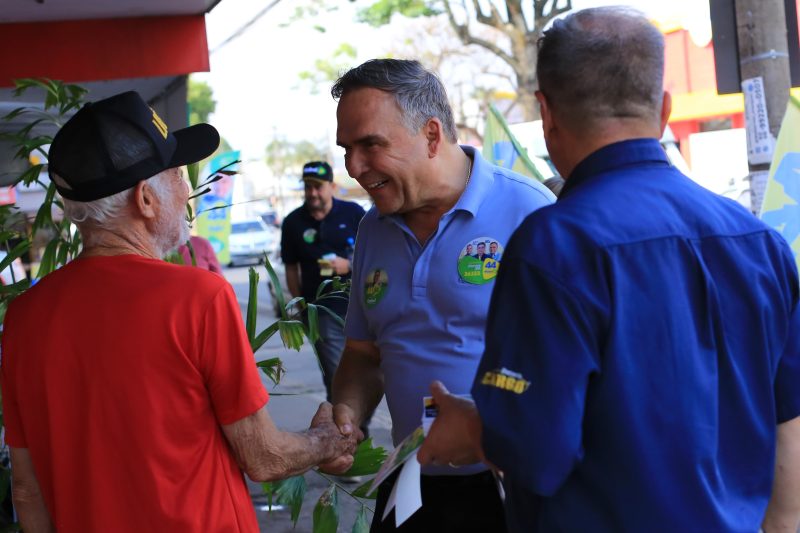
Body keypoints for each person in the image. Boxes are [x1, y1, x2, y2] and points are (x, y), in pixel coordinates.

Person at [418, 7, 800, 533]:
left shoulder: (552, 246)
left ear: (546, 114)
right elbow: (789, 431)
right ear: (664, 109)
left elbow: (532, 450)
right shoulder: (759, 243)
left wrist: (471, 429)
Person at [0, 91, 357, 532]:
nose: (189, 188)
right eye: (178, 174)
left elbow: (26, 489)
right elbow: (264, 457)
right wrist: (325, 441)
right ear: (146, 199)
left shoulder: (24, 317)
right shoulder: (198, 298)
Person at [325, 58, 554, 532]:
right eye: (347, 149)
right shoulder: (372, 227)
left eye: (371, 144)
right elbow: (364, 354)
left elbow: (575, 366)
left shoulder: (530, 212)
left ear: (432, 135)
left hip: (513, 489)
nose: (353, 167)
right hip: (412, 482)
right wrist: (346, 416)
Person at [280, 161, 366, 406]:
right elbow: (290, 267)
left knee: (369, 369)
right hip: (321, 312)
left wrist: (348, 266)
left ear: (332, 186)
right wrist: (301, 308)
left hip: (360, 306)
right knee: (336, 373)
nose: (313, 193)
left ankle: (356, 426)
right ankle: (347, 431)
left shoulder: (353, 213)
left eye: (318, 187)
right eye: (308, 187)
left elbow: (374, 254)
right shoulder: (293, 222)